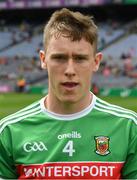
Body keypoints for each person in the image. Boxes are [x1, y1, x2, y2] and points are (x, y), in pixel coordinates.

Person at [0, 8, 137, 179]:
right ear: (43, 60)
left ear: (96, 62)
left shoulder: (129, 128)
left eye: (80, 58)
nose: (70, 70)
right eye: (59, 58)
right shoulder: (9, 132)